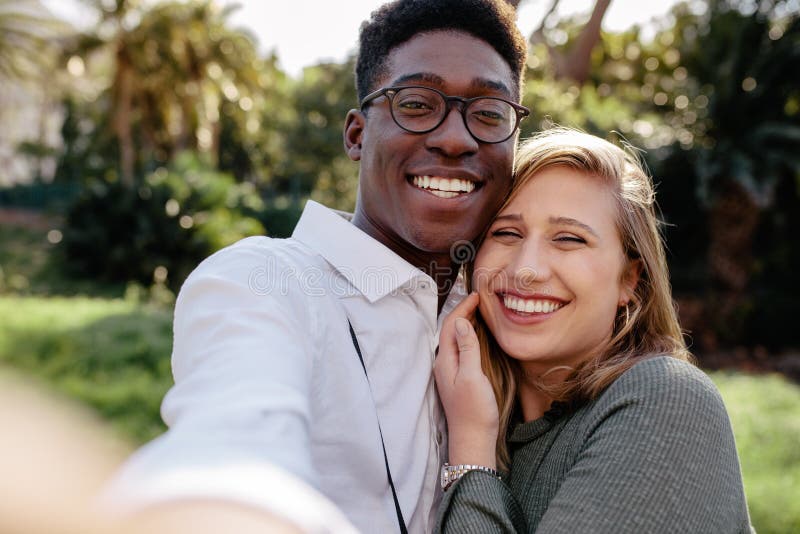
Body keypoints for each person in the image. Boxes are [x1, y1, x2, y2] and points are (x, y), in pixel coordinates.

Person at [105, 1, 529, 533]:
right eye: (417, 105)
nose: (454, 137)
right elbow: (232, 444)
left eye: (489, 113)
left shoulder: (509, 310)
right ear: (356, 135)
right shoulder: (263, 282)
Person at [434, 128, 753, 533]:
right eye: (506, 232)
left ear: (630, 280)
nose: (524, 269)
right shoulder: (471, 407)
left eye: (568, 239)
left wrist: (471, 454)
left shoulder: (667, 399)